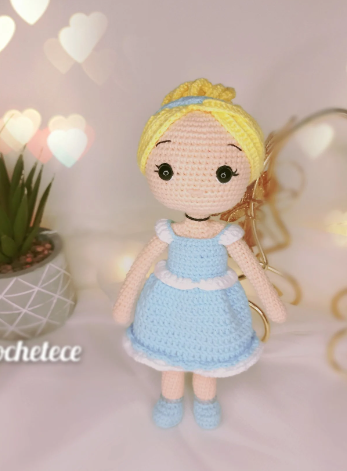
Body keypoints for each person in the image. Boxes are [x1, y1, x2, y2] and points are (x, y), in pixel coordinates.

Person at [113, 78, 287, 429]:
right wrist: (124, 303)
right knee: (171, 360)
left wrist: (272, 304)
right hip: (168, 307)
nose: (195, 188)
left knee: (209, 359)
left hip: (213, 309)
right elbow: (139, 269)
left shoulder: (226, 235)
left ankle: (206, 402)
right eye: (167, 171)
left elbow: (253, 271)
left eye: (224, 173)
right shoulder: (169, 232)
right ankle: (171, 399)